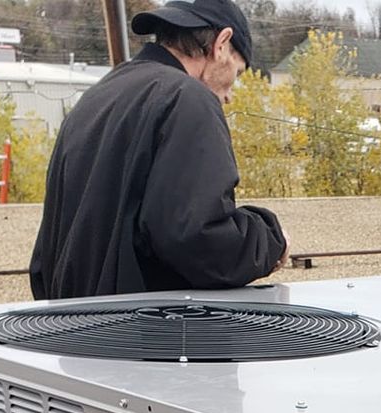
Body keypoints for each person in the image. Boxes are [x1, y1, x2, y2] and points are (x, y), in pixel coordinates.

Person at [29, 0, 288, 301]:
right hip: (141, 335)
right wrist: (271, 241)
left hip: (71, 328)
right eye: (238, 73)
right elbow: (196, 238)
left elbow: (49, 246)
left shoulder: (98, 96)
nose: (230, 95)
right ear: (221, 44)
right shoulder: (188, 98)